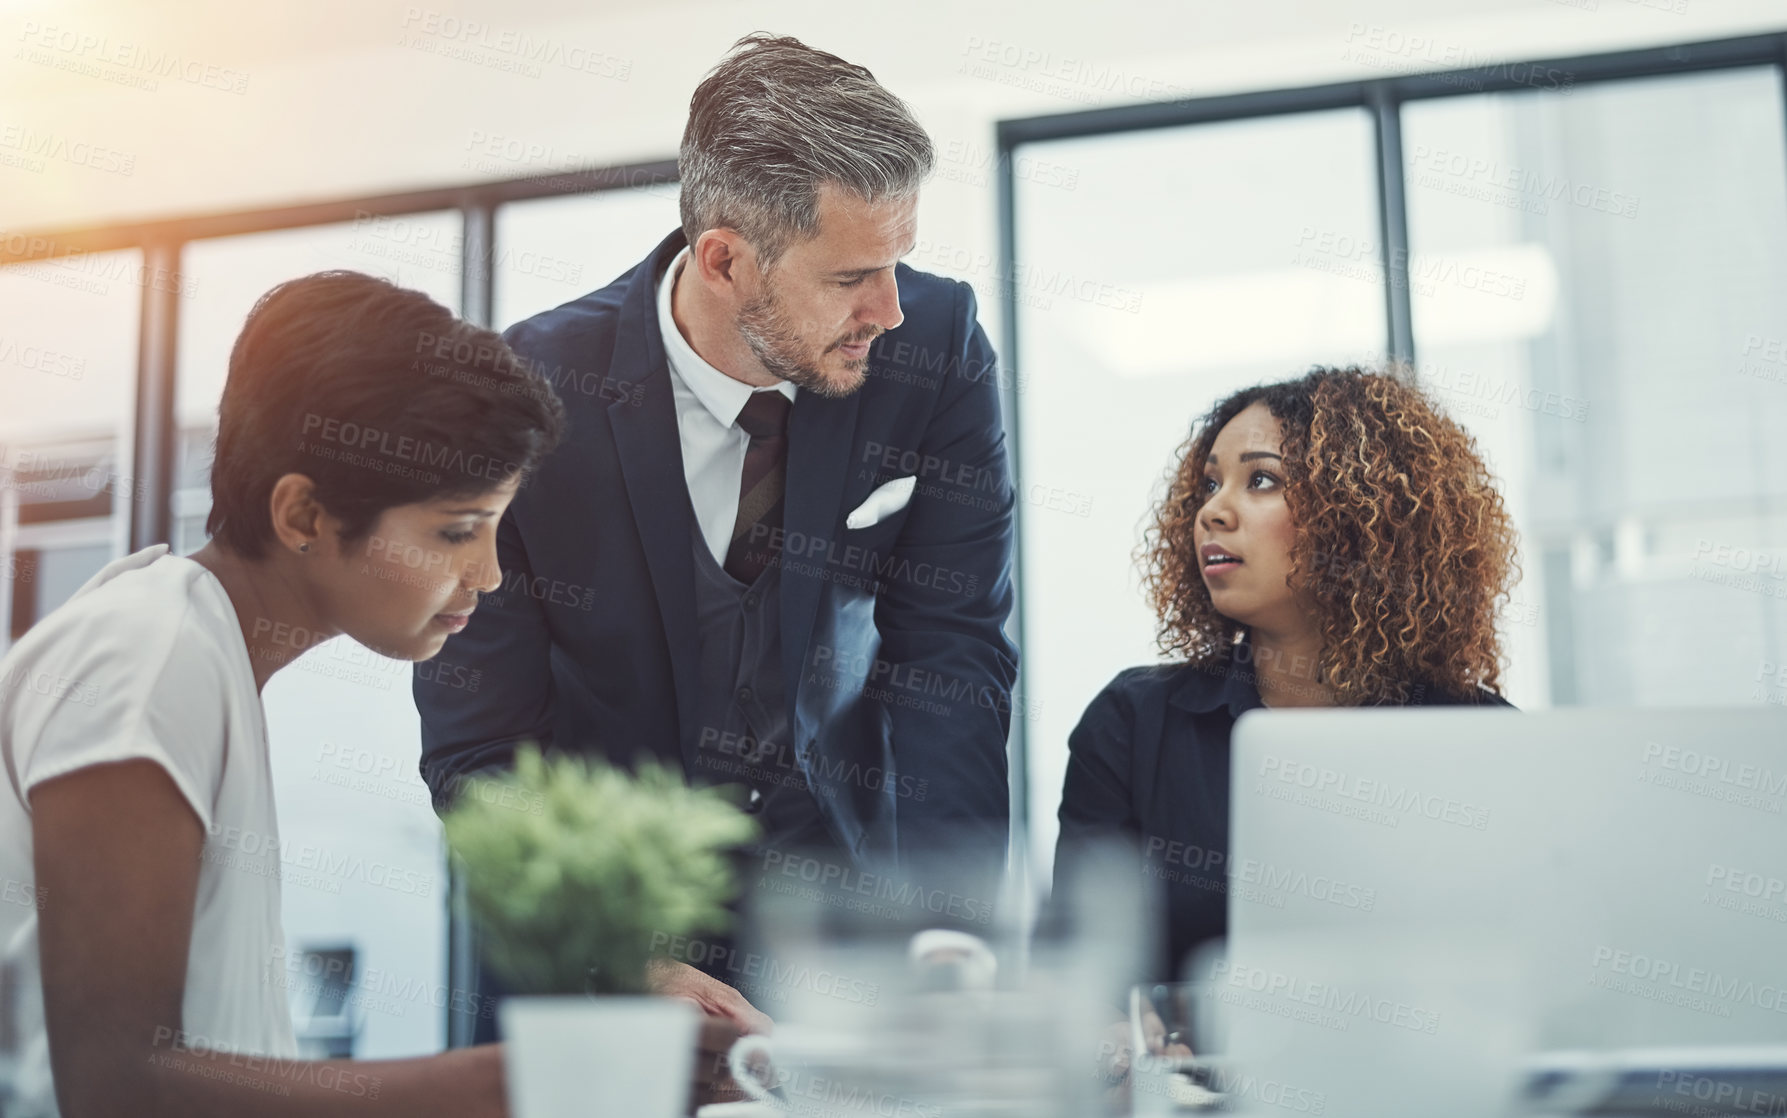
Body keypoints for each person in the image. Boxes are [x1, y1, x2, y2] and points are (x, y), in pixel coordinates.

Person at [0, 271, 739, 1118]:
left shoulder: (194, 652)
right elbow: (116, 1091)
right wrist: (525, 1077)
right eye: (456, 531)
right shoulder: (147, 654)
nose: (489, 575)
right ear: (304, 517)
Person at [413, 33, 1019, 1032]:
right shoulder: (530, 398)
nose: (889, 307)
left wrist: (948, 937)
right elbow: (482, 751)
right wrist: (618, 955)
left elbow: (950, 659)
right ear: (726, 258)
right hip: (601, 960)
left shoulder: (936, 349)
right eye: (849, 277)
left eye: (897, 263)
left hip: (842, 935)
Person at [1054, 366, 1520, 1003]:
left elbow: (1523, 976)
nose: (1212, 511)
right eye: (1210, 484)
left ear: (1360, 517)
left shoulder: (1483, 742)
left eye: (1262, 480)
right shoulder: (1133, 725)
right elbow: (1082, 979)